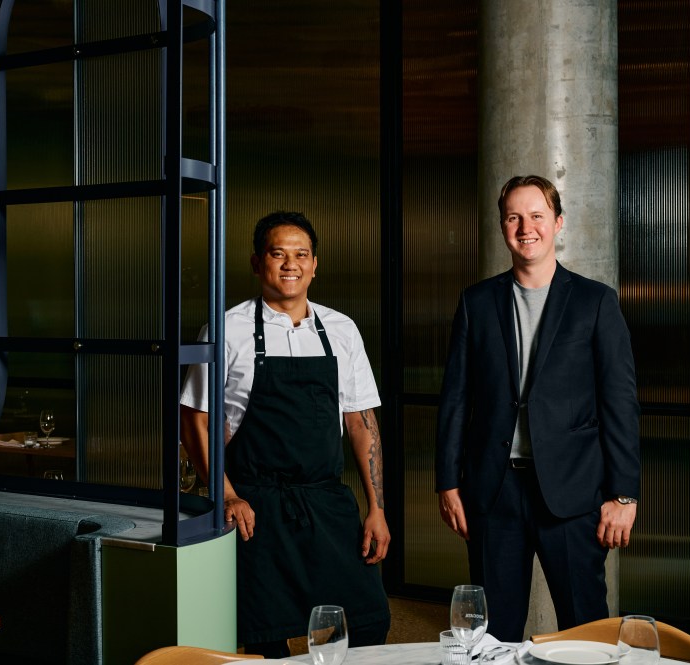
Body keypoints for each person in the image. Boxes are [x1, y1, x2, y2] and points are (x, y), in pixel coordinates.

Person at [435, 175, 641, 641]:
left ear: (558, 223)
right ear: (502, 227)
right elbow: (456, 398)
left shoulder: (595, 302)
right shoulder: (477, 302)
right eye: (513, 217)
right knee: (490, 636)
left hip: (573, 494)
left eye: (536, 216)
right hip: (493, 491)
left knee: (586, 630)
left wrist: (623, 494)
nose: (525, 227)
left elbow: (620, 404)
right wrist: (448, 482)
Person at [180, 210, 391, 657]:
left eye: (301, 254)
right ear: (258, 263)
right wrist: (227, 496)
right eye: (278, 254)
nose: (290, 264)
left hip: (325, 501)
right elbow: (195, 420)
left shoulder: (342, 330)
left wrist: (377, 508)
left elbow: (361, 422)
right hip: (255, 509)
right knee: (263, 637)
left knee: (366, 622)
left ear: (315, 264)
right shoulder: (225, 330)